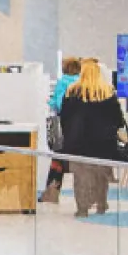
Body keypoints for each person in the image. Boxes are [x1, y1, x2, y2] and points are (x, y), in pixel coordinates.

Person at [56, 58, 128, 218]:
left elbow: (64, 117)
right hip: (103, 143)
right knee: (101, 175)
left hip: (78, 142)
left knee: (80, 176)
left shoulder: (71, 91)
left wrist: (69, 135)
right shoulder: (107, 92)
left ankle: (82, 208)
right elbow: (118, 119)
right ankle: (101, 204)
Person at [39, 58, 81, 205]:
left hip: (64, 126)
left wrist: (50, 103)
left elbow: (58, 104)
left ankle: (52, 192)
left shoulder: (63, 82)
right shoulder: (83, 82)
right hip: (80, 129)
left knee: (58, 159)